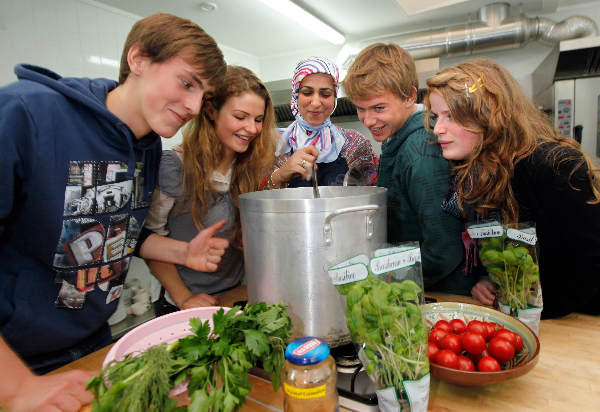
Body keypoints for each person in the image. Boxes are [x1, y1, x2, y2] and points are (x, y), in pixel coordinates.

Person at [0, 13, 228, 412]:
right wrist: (16, 387)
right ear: (138, 60)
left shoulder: (148, 146)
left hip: (94, 343)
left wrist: (181, 253)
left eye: (203, 96)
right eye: (187, 83)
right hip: (17, 363)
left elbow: (114, 228)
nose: (193, 106)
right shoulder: (25, 113)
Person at [424, 57, 600, 319]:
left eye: (451, 116)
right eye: (437, 116)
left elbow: (585, 272)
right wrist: (491, 280)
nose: (438, 129)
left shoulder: (553, 165)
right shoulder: (473, 173)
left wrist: (519, 300)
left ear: (489, 115)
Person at [145, 66, 276, 315]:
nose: (252, 129)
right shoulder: (174, 167)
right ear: (211, 110)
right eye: (240, 117)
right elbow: (150, 241)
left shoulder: (249, 166)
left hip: (234, 293)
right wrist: (184, 298)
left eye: (258, 120)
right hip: (182, 302)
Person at [342, 43, 473, 294]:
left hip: (442, 291)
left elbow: (443, 250)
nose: (368, 120)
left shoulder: (421, 152)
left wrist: (384, 280)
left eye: (379, 108)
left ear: (409, 96)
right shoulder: (399, 138)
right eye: (360, 108)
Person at [265, 56, 377, 189]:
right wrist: (280, 175)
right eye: (307, 93)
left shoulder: (356, 144)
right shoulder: (273, 147)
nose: (316, 103)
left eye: (325, 94)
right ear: (295, 95)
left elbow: (373, 195)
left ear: (335, 97)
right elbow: (252, 197)